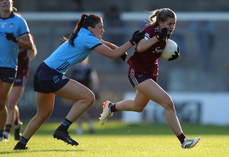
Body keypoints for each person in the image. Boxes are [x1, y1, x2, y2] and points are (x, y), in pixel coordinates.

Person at [13, 13, 145, 150]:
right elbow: (113, 55)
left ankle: (20, 144)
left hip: (42, 71)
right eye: (100, 27)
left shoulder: (84, 34)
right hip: (51, 74)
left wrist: (119, 49)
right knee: (88, 98)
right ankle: (62, 129)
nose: (103, 31)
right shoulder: (87, 38)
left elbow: (107, 45)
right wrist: (132, 42)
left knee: (43, 114)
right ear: (90, 28)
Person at [99, 8, 201, 149]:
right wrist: (158, 37)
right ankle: (184, 141)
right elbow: (140, 47)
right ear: (160, 22)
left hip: (151, 72)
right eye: (169, 24)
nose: (172, 27)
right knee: (168, 103)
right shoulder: (151, 31)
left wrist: (172, 54)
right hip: (138, 72)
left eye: (174, 24)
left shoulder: (164, 35)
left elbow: (155, 51)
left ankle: (111, 107)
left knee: (138, 106)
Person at [0, 0, 34, 142]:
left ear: (11, 2)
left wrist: (15, 40)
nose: (4, 2)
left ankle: (2, 134)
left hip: (9, 67)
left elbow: (30, 46)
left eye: (7, 0)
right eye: (1, 0)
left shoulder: (19, 21)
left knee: (3, 103)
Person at [3, 39, 37, 141]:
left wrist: (29, 58)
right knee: (9, 103)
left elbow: (33, 50)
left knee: (11, 104)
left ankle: (6, 133)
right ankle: (17, 123)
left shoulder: (24, 35)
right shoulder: (5, 35)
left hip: (20, 73)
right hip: (7, 71)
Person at [70, 57, 99, 135]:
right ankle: (88, 126)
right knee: (80, 110)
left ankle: (80, 128)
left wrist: (95, 90)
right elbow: (71, 81)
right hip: (77, 91)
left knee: (80, 110)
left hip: (86, 91)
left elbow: (94, 79)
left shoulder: (89, 68)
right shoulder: (75, 69)